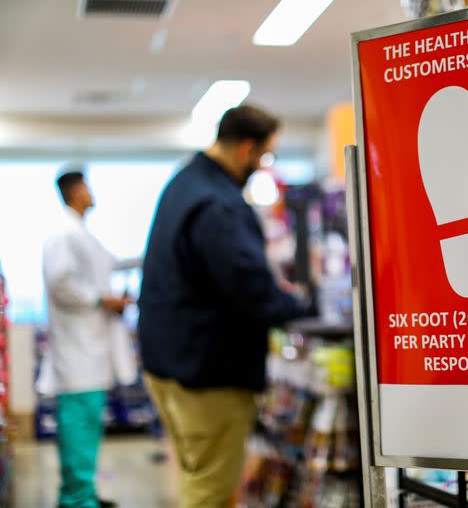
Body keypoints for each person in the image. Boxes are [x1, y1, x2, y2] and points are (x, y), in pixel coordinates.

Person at [138, 105, 305, 507]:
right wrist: (296, 305)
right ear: (246, 148)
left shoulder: (184, 183)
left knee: (203, 474)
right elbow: (249, 287)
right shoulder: (219, 204)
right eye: (264, 156)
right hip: (207, 372)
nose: (263, 166)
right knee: (209, 490)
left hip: (168, 362)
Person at [41, 169, 133, 508]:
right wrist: (102, 299)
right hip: (76, 352)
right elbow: (61, 283)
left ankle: (84, 493)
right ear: (75, 191)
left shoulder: (83, 236)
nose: (92, 193)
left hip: (90, 351)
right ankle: (76, 499)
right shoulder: (63, 235)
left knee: (89, 429)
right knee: (79, 430)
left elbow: (111, 266)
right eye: (87, 187)